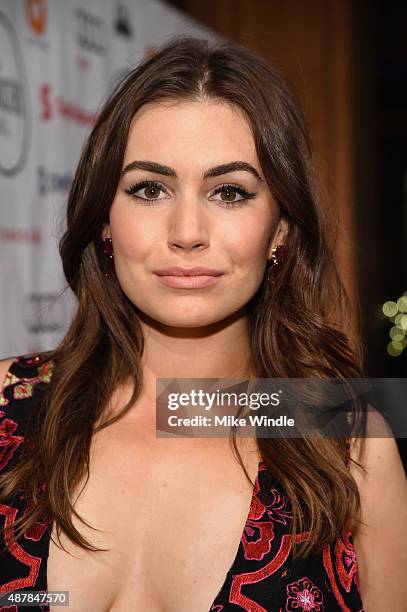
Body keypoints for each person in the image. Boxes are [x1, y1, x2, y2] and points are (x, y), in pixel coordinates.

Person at [0, 35, 406, 612]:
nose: (187, 231)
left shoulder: (349, 444)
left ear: (281, 228)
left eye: (229, 192)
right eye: (149, 188)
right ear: (105, 220)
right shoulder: (5, 409)